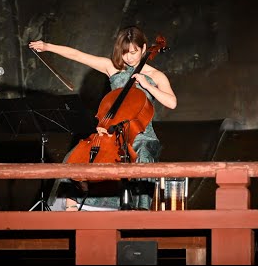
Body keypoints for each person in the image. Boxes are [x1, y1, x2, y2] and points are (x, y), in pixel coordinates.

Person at [28, 25, 177, 211]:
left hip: (141, 136)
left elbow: (172, 102)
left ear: (144, 49)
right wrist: (48, 46)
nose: (128, 57)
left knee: (143, 155)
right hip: (111, 133)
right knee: (72, 158)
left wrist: (148, 85)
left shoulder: (156, 75)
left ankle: (141, 212)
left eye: (133, 52)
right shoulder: (112, 68)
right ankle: (72, 208)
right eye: (124, 53)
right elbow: (79, 55)